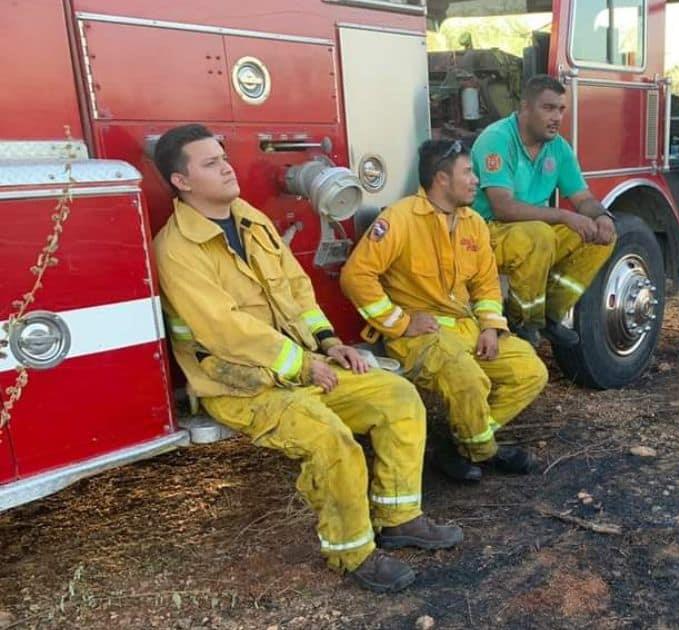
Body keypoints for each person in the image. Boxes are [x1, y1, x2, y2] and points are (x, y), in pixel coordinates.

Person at [151, 124, 461, 594]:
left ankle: (399, 517)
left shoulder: (248, 218)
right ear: (182, 182)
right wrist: (301, 364)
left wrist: (328, 341)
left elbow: (295, 286)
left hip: (301, 365)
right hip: (241, 385)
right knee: (330, 440)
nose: (227, 166)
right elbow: (225, 329)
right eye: (210, 163)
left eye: (223, 156)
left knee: (398, 397)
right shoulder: (175, 249)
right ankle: (353, 552)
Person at [341, 139, 548, 483]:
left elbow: (485, 283)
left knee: (531, 372)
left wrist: (490, 327)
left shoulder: (474, 224)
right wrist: (401, 323)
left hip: (467, 330)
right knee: (468, 378)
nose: (476, 180)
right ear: (441, 179)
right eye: (467, 172)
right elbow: (355, 276)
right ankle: (486, 451)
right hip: (421, 338)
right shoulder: (401, 218)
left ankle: (459, 443)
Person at [469, 74, 616, 347]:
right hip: (484, 232)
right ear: (524, 108)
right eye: (548, 108)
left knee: (600, 237)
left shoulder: (559, 148)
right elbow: (502, 207)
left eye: (561, 109)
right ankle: (523, 320)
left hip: (531, 232)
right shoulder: (497, 139)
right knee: (541, 235)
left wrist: (602, 217)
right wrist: (563, 215)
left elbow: (582, 197)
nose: (557, 117)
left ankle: (549, 316)